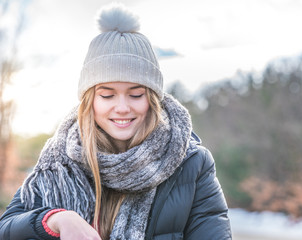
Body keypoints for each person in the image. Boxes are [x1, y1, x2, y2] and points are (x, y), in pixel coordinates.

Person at [0, 3, 232, 240]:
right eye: (107, 95)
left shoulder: (192, 163)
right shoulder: (60, 160)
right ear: (90, 101)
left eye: (136, 94)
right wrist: (55, 219)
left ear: (152, 99)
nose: (122, 108)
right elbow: (6, 228)